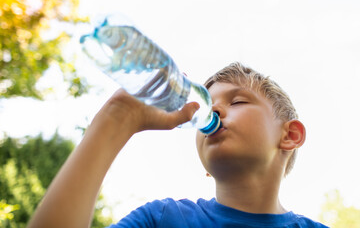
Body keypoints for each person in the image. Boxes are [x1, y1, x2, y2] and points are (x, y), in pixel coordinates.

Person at [27, 62, 328, 228]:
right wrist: (117, 116)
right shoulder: (162, 220)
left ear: (290, 136)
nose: (214, 111)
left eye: (237, 101)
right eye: (209, 104)